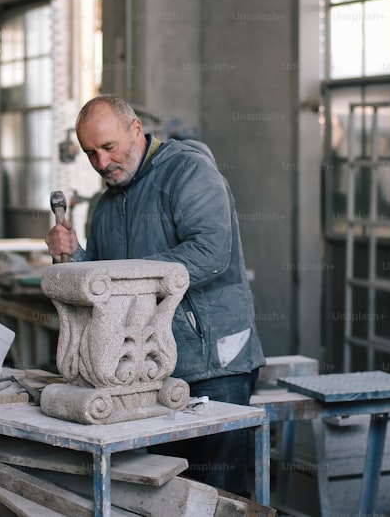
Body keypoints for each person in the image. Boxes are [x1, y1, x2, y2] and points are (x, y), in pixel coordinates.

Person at [45, 94, 266, 497]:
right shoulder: (106, 204)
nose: (101, 163)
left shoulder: (189, 172)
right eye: (90, 153)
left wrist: (124, 279)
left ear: (136, 130)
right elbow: (103, 283)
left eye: (108, 147)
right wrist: (74, 256)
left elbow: (211, 254)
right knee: (169, 493)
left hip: (212, 362)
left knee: (217, 493)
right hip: (149, 369)